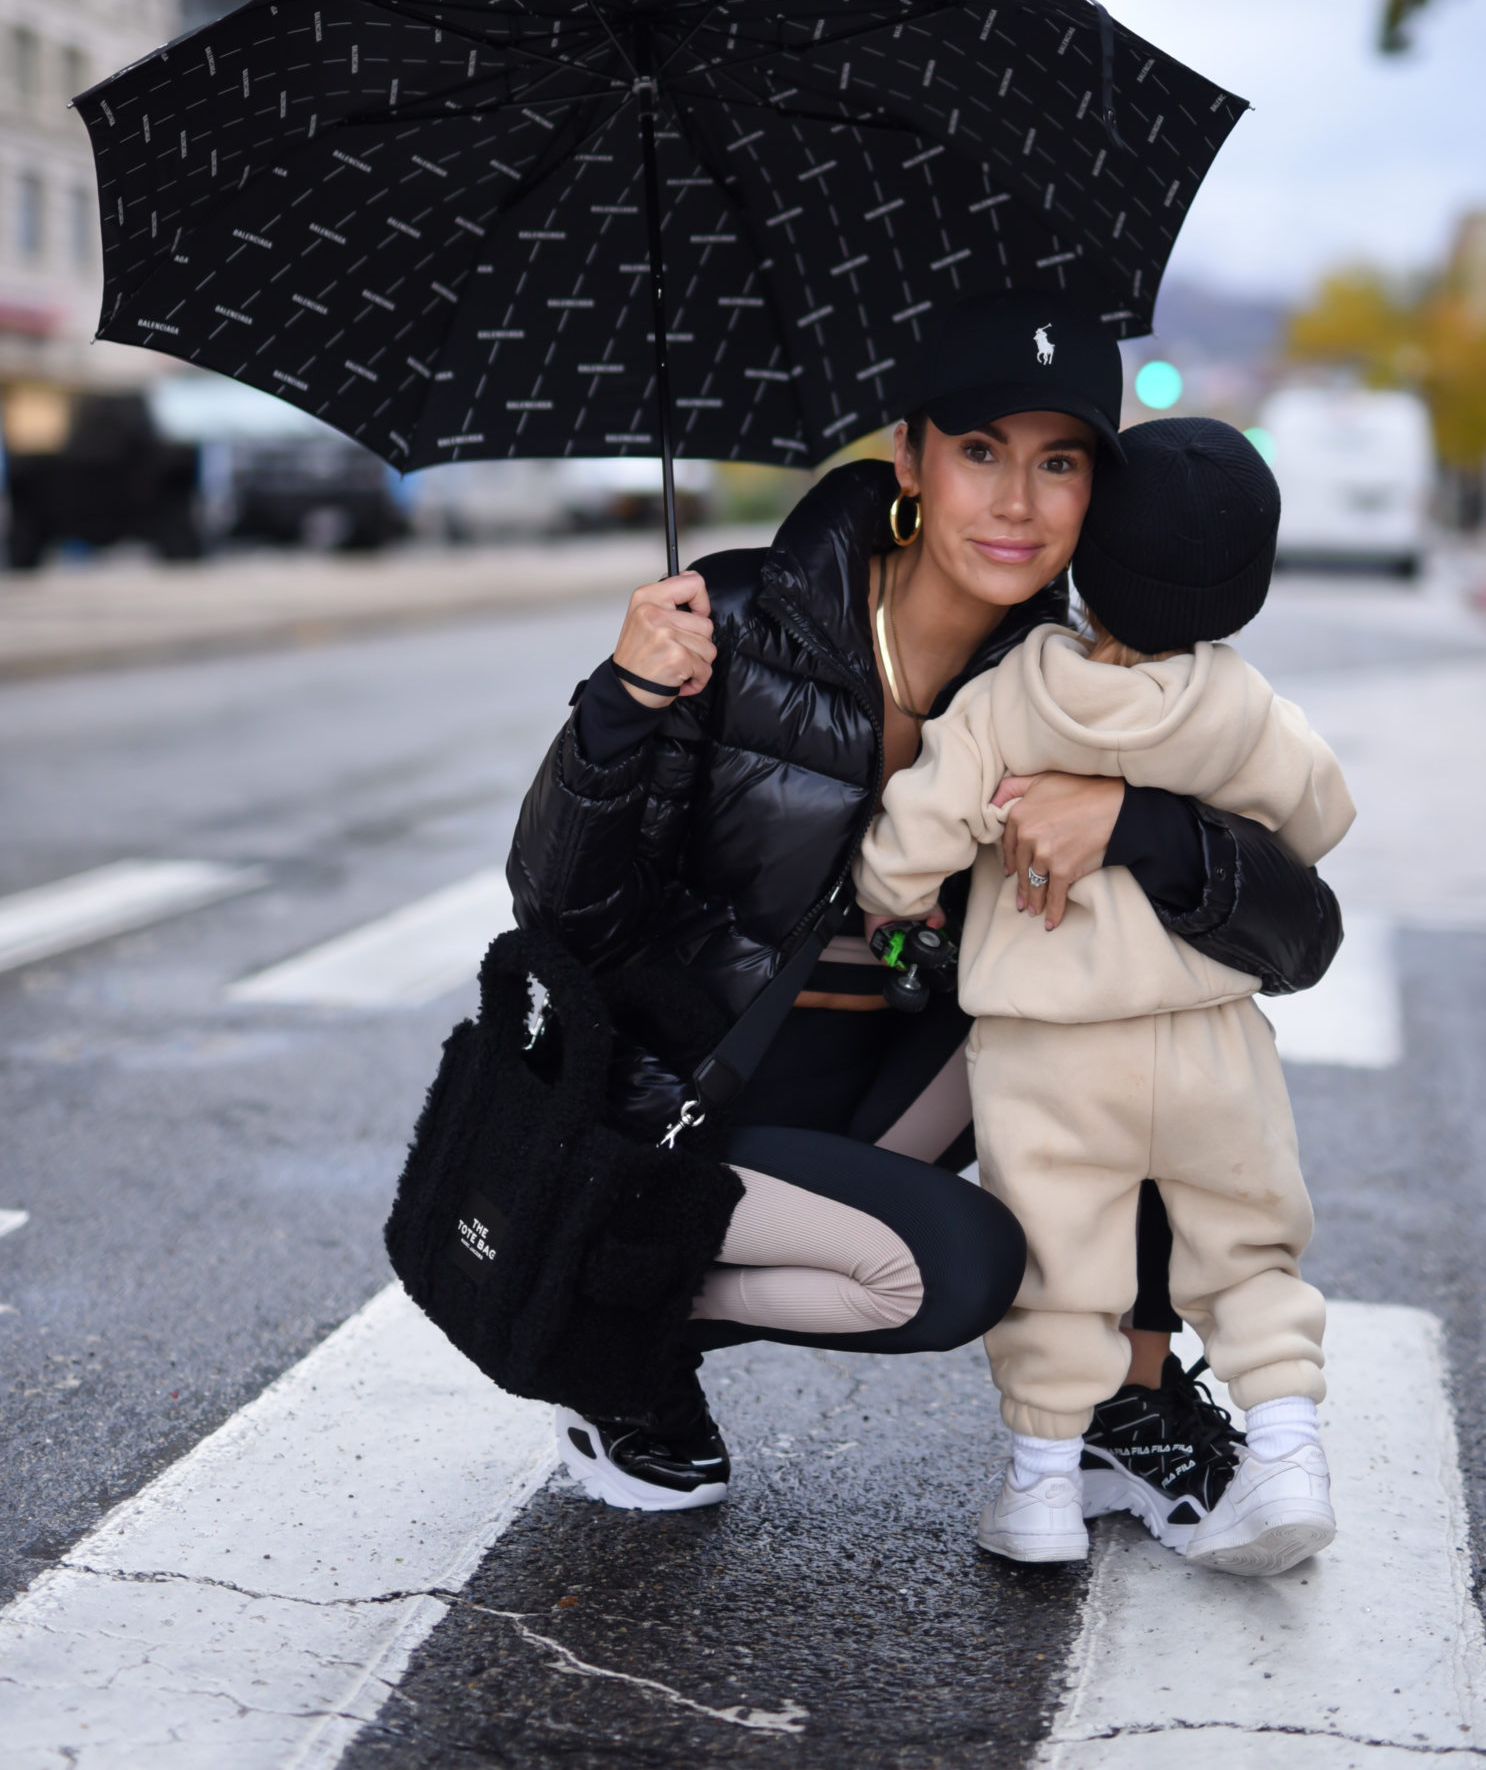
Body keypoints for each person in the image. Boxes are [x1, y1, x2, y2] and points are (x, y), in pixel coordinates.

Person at [506, 293, 1340, 1515]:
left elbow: (1296, 939)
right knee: (956, 1269)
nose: (1015, 501)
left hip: (875, 1090)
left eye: (1057, 462)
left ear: (1094, 493)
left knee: (1157, 1042)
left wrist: (1138, 826)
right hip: (679, 1096)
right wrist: (622, 705)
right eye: (979, 451)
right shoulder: (727, 622)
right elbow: (555, 904)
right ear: (906, 455)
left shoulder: (1081, 684)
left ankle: (1125, 1402)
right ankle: (600, 1309)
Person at [856, 416, 1354, 1572]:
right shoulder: (1237, 708)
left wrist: (901, 888)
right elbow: (1320, 816)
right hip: (1205, 1041)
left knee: (1053, 1271)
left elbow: (902, 852)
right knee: (1245, 1253)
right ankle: (1286, 1452)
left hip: (1045, 1055)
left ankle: (1038, 1494)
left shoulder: (1008, 697)